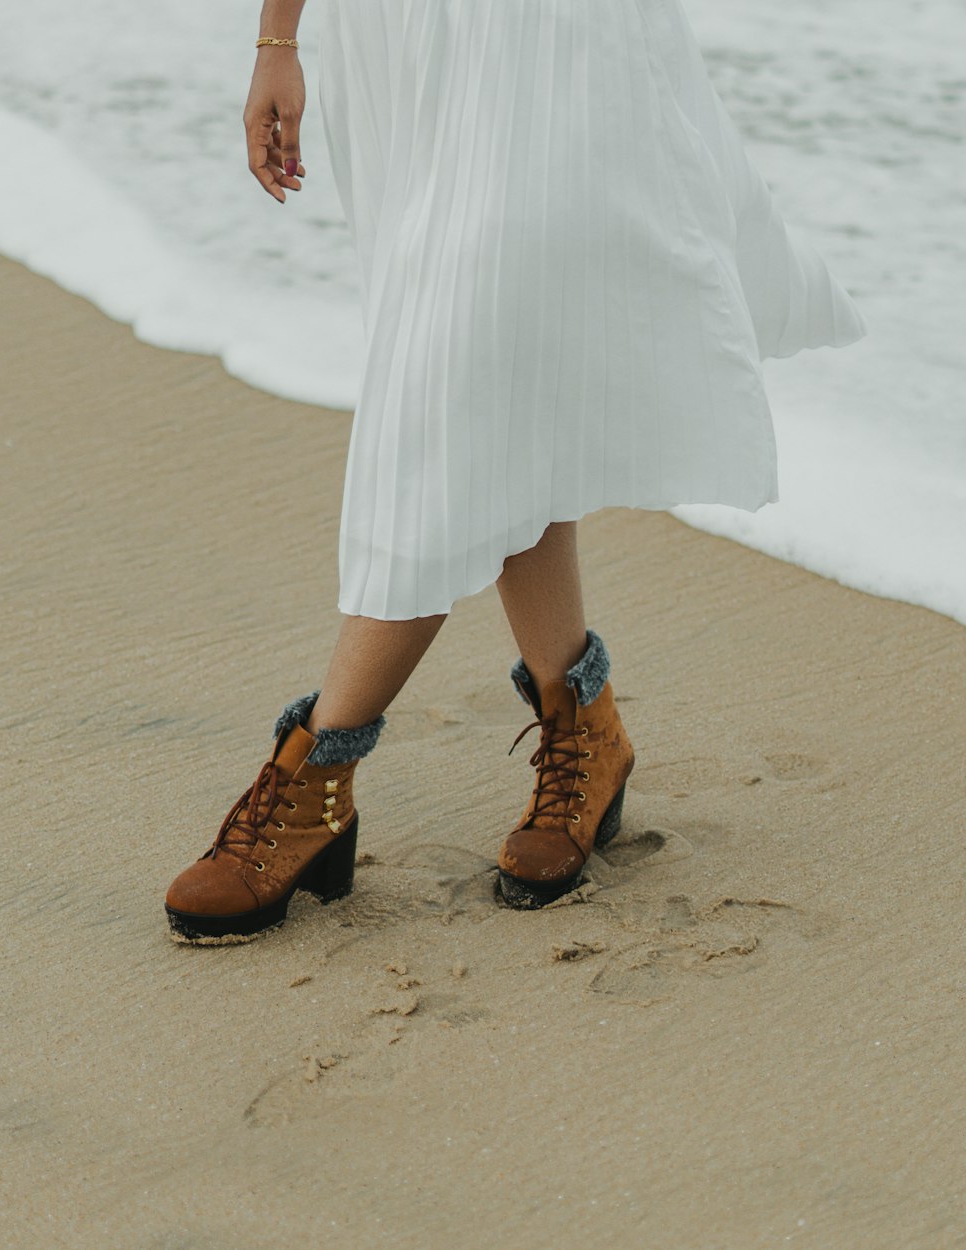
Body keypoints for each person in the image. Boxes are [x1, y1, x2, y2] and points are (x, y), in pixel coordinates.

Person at [164, 0, 867, 943]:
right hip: (402, 39)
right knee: (500, 374)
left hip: (545, 33)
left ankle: (314, 776)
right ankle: (585, 726)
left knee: (462, 373)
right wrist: (278, 37)